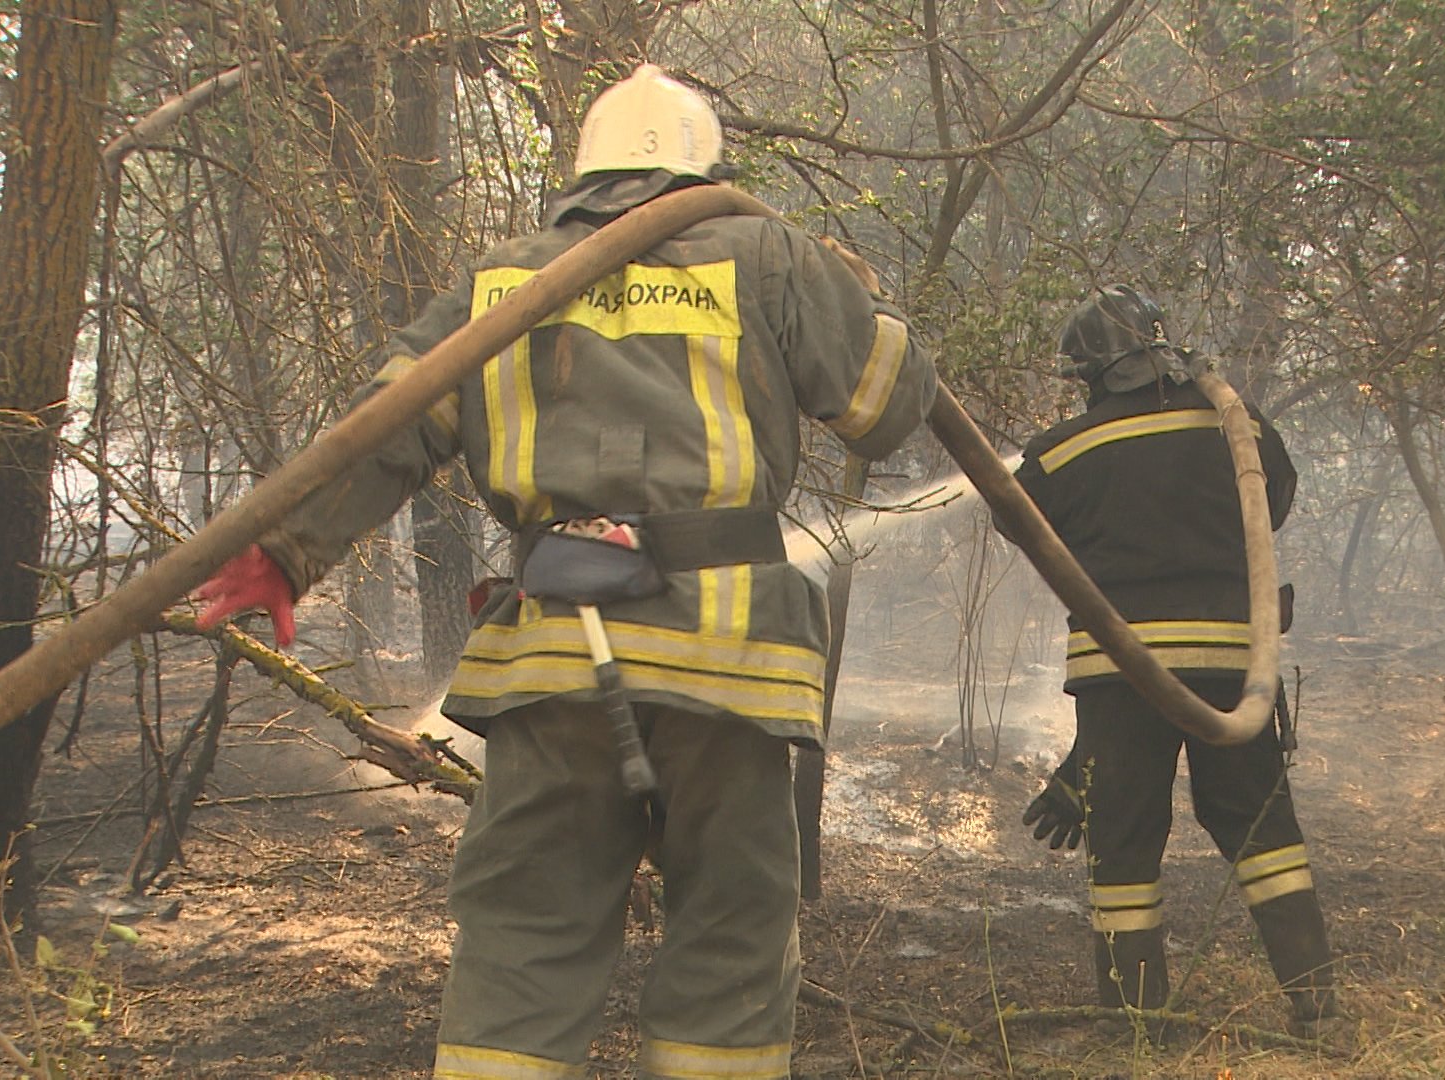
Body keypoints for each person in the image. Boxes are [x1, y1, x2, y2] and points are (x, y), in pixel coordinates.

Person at [192, 64, 935, 1079]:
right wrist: (856, 295)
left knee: (524, 939)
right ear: (702, 166)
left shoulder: (505, 280)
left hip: (556, 656)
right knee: (729, 933)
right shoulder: (763, 252)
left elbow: (390, 420)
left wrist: (284, 553)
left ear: (586, 170)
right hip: (729, 663)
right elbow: (882, 406)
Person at [1008, 285, 1342, 1038]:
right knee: (1265, 832)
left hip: (1120, 674)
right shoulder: (1240, 426)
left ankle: (1135, 1026)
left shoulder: (1059, 452)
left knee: (1122, 839)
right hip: (1234, 663)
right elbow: (1273, 502)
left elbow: (1025, 527)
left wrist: (1088, 755)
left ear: (1092, 372)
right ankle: (1317, 1003)